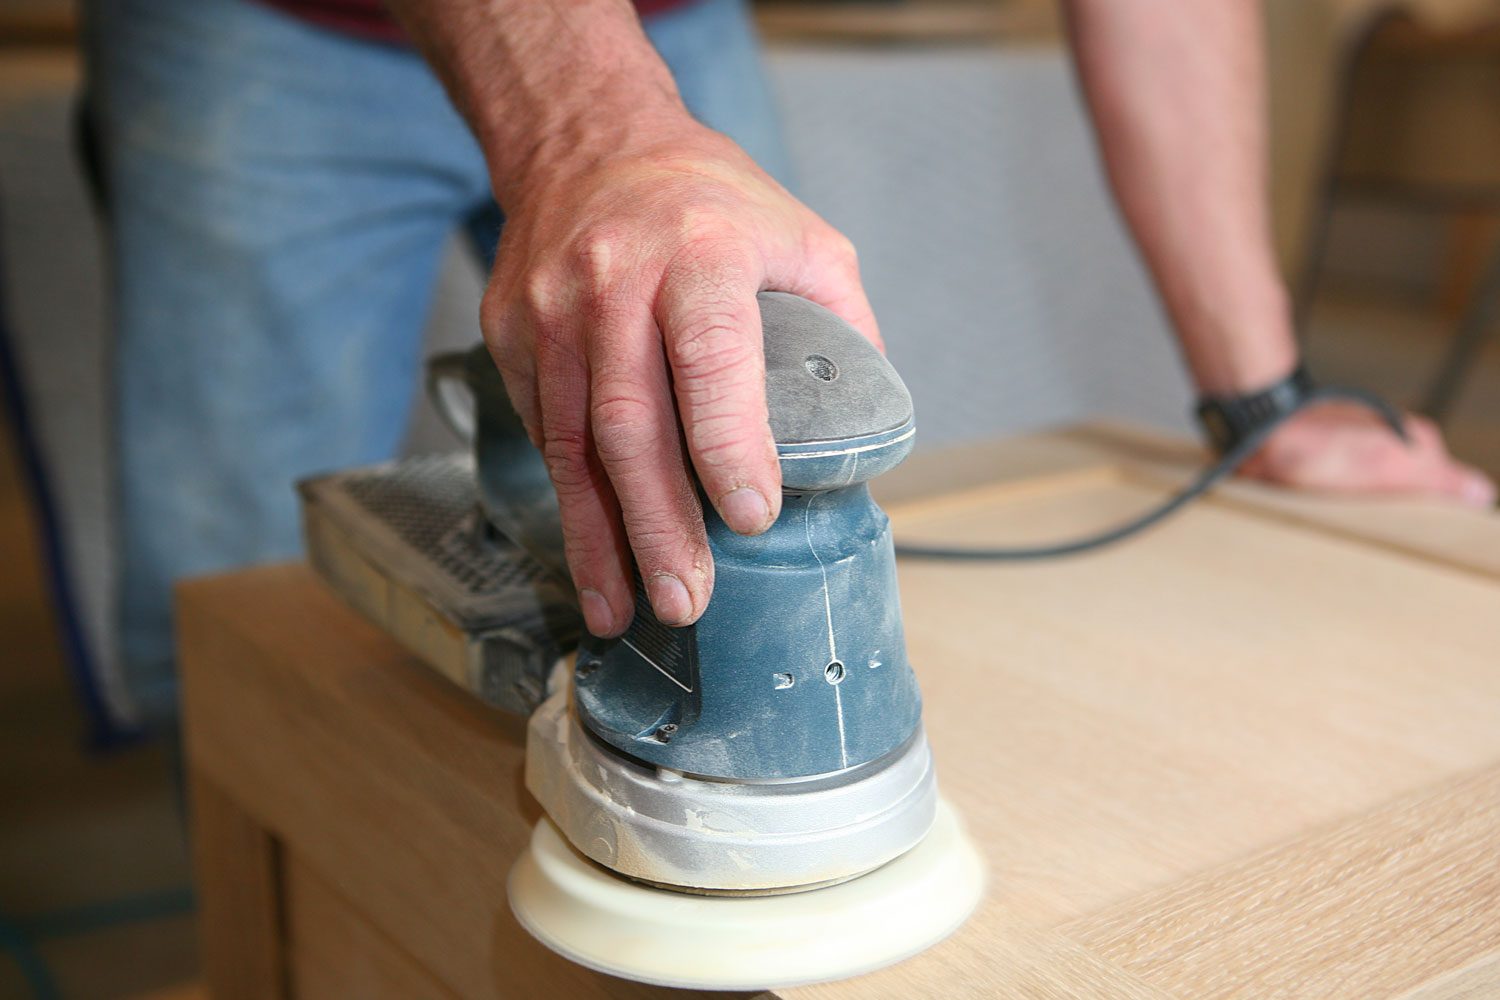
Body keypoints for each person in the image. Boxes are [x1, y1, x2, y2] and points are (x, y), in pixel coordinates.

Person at [85, 0, 1492, 722]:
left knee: (742, 418)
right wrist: (591, 128)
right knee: (240, 586)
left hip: (674, 14)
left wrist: (1264, 402)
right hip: (266, 26)